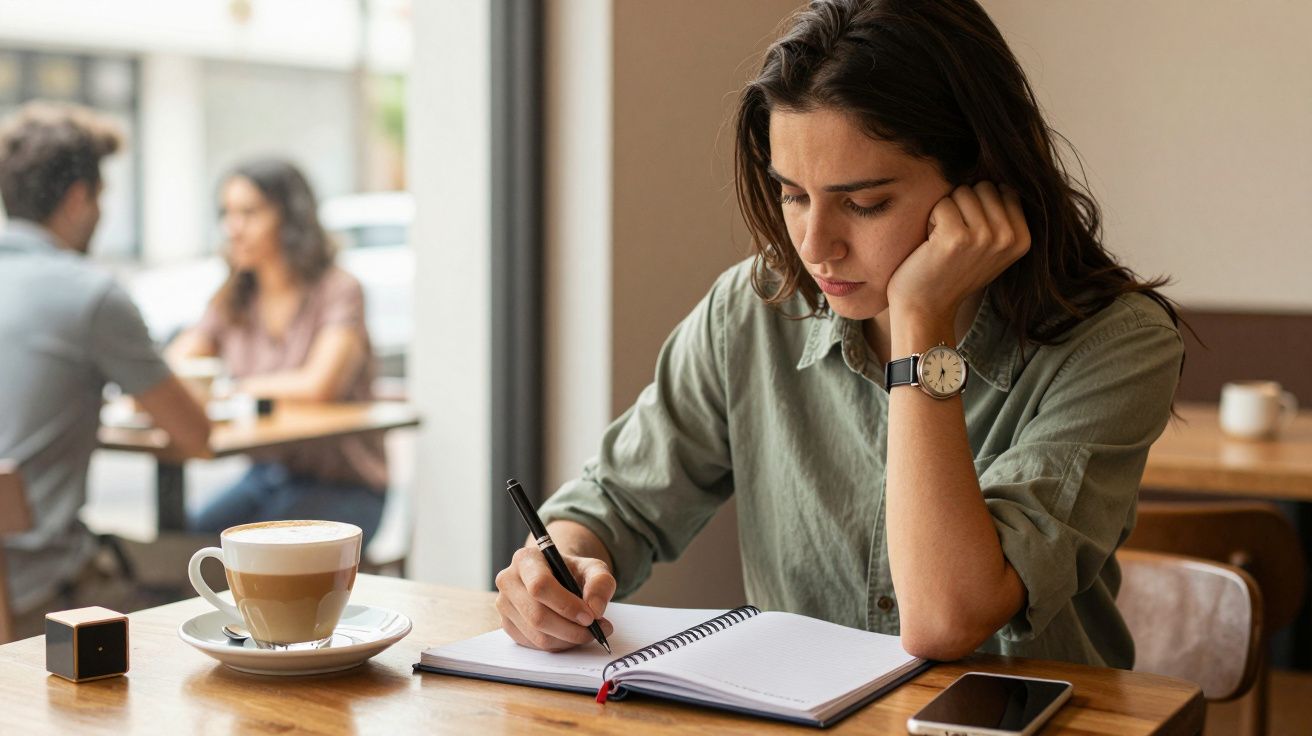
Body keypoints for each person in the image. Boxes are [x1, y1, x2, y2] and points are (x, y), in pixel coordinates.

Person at [495, 0, 1185, 669]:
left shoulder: (1116, 346)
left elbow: (947, 618)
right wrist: (559, 564)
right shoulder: (752, 311)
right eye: (793, 194)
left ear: (984, 180)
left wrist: (922, 323)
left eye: (864, 203)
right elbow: (615, 502)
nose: (815, 246)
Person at [0, 102, 211, 635]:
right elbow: (197, 436)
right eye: (101, 197)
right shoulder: (90, 294)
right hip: (42, 594)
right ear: (78, 198)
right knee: (221, 575)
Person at [168, 158, 387, 545]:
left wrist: (229, 387)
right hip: (267, 477)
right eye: (227, 213)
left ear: (291, 218)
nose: (233, 228)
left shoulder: (338, 290)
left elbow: (320, 384)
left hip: (345, 485)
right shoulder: (235, 296)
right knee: (185, 548)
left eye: (249, 213)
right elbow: (175, 365)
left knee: (248, 558)